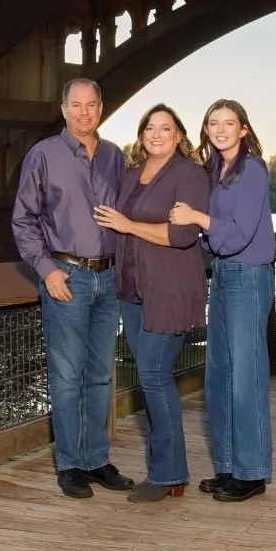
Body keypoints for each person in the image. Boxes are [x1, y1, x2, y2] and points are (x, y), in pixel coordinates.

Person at [11, 77, 135, 499]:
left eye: (92, 104)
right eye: (76, 105)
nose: (84, 112)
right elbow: (23, 220)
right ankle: (69, 465)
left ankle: (97, 459)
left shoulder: (116, 157)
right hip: (66, 277)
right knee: (66, 376)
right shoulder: (43, 155)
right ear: (63, 109)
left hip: (109, 277)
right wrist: (46, 270)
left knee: (100, 375)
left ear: (101, 108)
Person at [93, 105, 210, 503]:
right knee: (151, 378)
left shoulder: (189, 175)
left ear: (179, 135)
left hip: (169, 290)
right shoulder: (130, 175)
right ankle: (172, 473)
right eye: (150, 128)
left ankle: (167, 475)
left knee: (155, 376)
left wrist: (128, 226)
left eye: (166, 128)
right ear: (141, 134)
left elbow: (183, 235)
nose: (157, 134)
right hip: (131, 291)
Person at [169, 99, 276, 502]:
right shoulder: (216, 171)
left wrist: (198, 219)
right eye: (213, 123)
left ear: (244, 129)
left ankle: (253, 473)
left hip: (248, 277)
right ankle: (229, 467)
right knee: (219, 376)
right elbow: (217, 239)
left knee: (246, 378)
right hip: (225, 275)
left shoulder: (251, 170)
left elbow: (242, 231)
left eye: (228, 123)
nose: (220, 129)